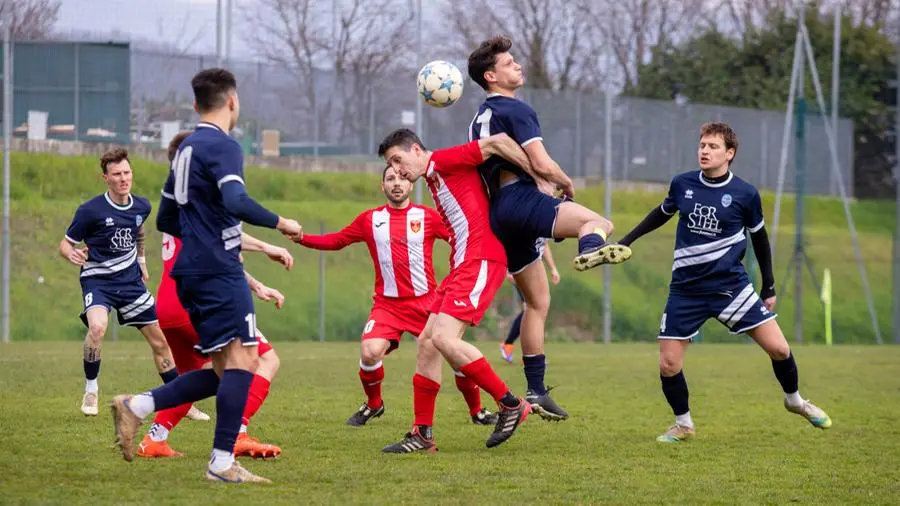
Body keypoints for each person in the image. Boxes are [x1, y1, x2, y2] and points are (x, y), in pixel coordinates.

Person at [110, 67, 304, 484]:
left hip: (188, 273)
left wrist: (202, 237)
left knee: (224, 371)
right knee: (247, 361)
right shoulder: (223, 146)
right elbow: (235, 198)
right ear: (232, 102)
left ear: (196, 105)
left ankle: (138, 407)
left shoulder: (184, 150)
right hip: (218, 270)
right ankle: (220, 463)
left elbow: (165, 217)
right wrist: (279, 221)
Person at [616, 122, 832, 443]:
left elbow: (760, 241)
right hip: (686, 291)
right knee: (668, 364)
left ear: (729, 154)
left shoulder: (745, 194)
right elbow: (660, 213)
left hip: (731, 288)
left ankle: (795, 401)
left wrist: (768, 286)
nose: (705, 150)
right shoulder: (682, 184)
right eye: (702, 145)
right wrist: (627, 240)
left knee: (779, 348)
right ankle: (684, 424)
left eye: (713, 146)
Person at [466, 36, 632, 420]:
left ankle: (536, 391)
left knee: (537, 303)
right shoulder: (515, 109)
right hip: (521, 201)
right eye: (509, 63)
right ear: (491, 75)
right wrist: (566, 182)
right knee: (598, 221)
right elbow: (541, 164)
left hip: (500, 214)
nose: (517, 66)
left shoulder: (480, 116)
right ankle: (588, 247)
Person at [297, 165, 497, 427]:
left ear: (411, 185)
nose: (396, 183)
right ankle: (374, 404)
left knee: (456, 356)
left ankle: (477, 411)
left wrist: (489, 261)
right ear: (383, 187)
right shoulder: (369, 220)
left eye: (402, 178)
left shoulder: (427, 217)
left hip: (427, 303)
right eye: (390, 179)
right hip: (387, 306)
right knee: (369, 352)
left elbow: (462, 240)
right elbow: (337, 240)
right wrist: (302, 237)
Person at [136, 131, 289, 460]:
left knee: (199, 375)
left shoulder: (178, 203)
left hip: (169, 303)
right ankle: (237, 435)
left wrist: (258, 283)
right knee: (261, 360)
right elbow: (221, 250)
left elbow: (214, 252)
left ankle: (154, 438)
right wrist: (268, 244)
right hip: (201, 298)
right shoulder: (203, 204)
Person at [377, 128, 531, 454]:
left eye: (398, 159)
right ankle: (422, 434)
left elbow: (497, 142)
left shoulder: (444, 160)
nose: (397, 170)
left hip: (480, 259)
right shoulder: (434, 176)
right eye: (391, 164)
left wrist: (540, 176)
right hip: (463, 265)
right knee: (427, 342)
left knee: (445, 339)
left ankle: (510, 404)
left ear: (416, 150)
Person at [59, 148, 178, 416]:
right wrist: (71, 254)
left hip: (130, 283)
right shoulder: (90, 210)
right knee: (98, 328)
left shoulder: (142, 206)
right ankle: (91, 390)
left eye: (126, 172)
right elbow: (65, 244)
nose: (123, 178)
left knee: (160, 342)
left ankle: (180, 400)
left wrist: (143, 262)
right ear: (105, 178)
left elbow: (138, 231)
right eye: (116, 174)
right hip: (98, 281)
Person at [501, 246, 559, 364]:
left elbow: (544, 244)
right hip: (521, 268)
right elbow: (507, 237)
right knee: (531, 309)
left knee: (533, 309)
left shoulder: (540, 228)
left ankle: (521, 350)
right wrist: (507, 268)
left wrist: (553, 268)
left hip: (535, 270)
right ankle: (530, 354)